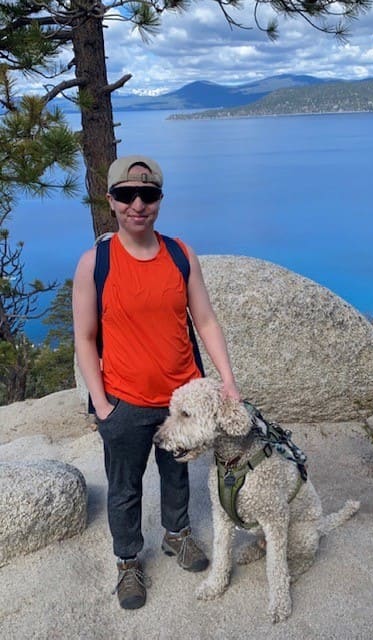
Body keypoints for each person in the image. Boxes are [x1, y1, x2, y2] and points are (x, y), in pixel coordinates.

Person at [72, 155, 240, 610]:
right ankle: (128, 561)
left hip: (180, 398)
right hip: (123, 399)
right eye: (126, 195)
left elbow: (204, 320)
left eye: (148, 195)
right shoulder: (95, 263)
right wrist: (102, 405)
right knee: (124, 486)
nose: (137, 204)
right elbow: (85, 339)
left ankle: (177, 534)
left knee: (177, 473)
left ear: (160, 201)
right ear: (111, 201)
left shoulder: (181, 254)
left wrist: (226, 380)